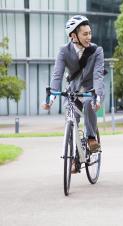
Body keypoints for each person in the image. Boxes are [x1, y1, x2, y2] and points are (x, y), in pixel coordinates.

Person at [42, 15, 105, 153]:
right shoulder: (64, 51)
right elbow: (57, 75)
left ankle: (91, 137)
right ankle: (73, 157)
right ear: (74, 36)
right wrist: (51, 98)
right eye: (85, 34)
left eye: (90, 33)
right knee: (71, 120)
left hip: (91, 90)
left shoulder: (97, 51)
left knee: (89, 103)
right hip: (73, 91)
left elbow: (98, 76)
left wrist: (97, 96)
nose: (89, 37)